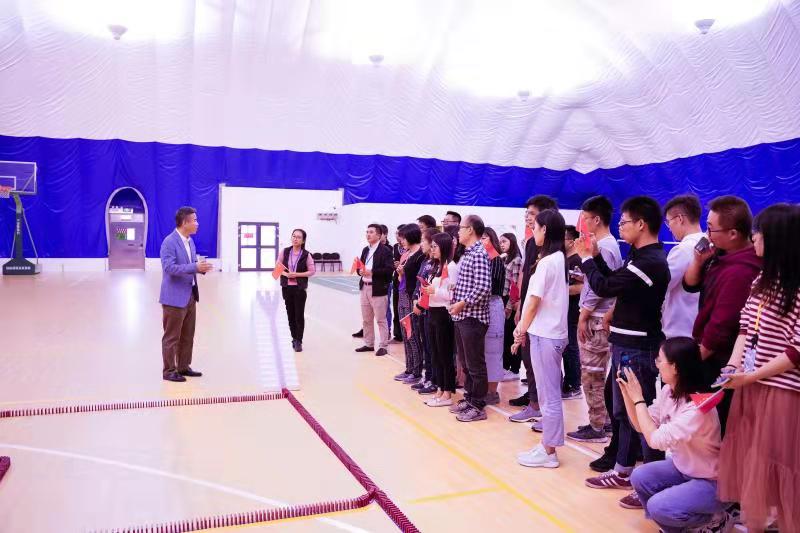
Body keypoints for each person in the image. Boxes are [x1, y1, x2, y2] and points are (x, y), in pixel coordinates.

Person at [577, 196, 670, 507]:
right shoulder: (638, 256)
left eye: (624, 222)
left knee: (642, 416)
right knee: (623, 414)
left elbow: (604, 287)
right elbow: (615, 282)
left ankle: (651, 483)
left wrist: (587, 260)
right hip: (625, 343)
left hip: (638, 347)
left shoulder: (651, 261)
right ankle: (623, 470)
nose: (620, 226)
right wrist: (596, 259)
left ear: (641, 224)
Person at [718, 203, 800, 533]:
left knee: (783, 463)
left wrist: (751, 375)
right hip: (751, 384)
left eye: (759, 232)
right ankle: (768, 522)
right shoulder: (762, 280)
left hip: (783, 390)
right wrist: (732, 365)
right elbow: (745, 328)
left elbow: (796, 351)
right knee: (756, 457)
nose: (754, 238)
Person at [620, 338, 730, 532]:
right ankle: (675, 528)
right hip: (683, 470)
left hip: (712, 483)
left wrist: (638, 399)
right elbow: (641, 426)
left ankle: (715, 518)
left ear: (675, 367)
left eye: (660, 360)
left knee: (658, 506)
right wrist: (628, 396)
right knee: (639, 477)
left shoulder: (697, 409)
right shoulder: (668, 392)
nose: (656, 364)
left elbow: (654, 441)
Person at [683, 195, 761, 432]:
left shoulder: (741, 271)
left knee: (714, 426)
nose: (707, 235)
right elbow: (690, 285)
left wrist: (693, 362)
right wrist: (699, 261)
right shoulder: (719, 256)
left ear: (733, 233)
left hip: (720, 360)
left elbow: (722, 324)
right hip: (708, 351)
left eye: (711, 228)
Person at [513, 209, 569, 468]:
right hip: (545, 332)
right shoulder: (555, 258)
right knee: (548, 394)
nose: (532, 231)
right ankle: (547, 444)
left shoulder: (549, 262)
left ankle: (549, 451)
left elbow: (534, 301)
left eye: (534, 227)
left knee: (549, 395)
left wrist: (521, 329)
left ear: (545, 229)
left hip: (546, 334)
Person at [568, 195, 622, 443]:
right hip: (599, 317)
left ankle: (597, 425)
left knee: (592, 375)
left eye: (586, 218)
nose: (584, 224)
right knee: (596, 373)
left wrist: (583, 316)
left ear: (597, 219)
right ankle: (602, 421)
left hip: (596, 320)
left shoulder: (605, 246)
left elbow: (600, 288)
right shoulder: (607, 244)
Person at [509, 195, 557, 421]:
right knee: (528, 358)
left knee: (543, 364)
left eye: (532, 214)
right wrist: (519, 305)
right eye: (526, 214)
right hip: (529, 307)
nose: (528, 218)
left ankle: (542, 407)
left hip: (544, 315)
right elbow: (524, 275)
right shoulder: (530, 243)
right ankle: (534, 401)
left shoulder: (554, 251)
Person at [159, 206, 213, 382]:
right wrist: (194, 267)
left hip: (190, 295)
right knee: (172, 337)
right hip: (174, 298)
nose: (197, 223)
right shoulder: (169, 242)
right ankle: (169, 371)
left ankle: (183, 366)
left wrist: (200, 268)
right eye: (195, 220)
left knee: (187, 335)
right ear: (184, 222)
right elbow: (169, 268)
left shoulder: (190, 241)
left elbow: (191, 265)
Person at [448, 215, 492, 422]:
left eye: (461, 227)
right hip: (463, 315)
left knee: (475, 364)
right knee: (466, 363)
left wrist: (463, 302)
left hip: (473, 317)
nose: (458, 231)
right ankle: (470, 398)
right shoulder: (468, 253)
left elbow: (483, 287)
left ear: (471, 230)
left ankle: (478, 405)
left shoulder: (479, 254)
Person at [662, 195, 704, 338]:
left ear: (680, 219)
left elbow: (661, 285)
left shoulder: (683, 250)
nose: (669, 228)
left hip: (680, 329)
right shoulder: (708, 244)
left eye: (668, 222)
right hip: (697, 325)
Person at [424, 232, 457, 406]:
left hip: (444, 314)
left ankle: (447, 393)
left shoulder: (451, 267)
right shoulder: (437, 266)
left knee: (445, 354)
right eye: (432, 246)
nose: (432, 249)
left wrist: (434, 291)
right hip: (433, 311)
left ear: (443, 247)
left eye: (435, 246)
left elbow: (453, 294)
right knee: (435, 353)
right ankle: (439, 389)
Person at [394, 224, 426, 383]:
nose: (401, 241)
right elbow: (402, 278)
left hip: (411, 296)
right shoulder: (407, 254)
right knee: (405, 332)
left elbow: (418, 279)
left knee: (412, 334)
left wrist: (404, 272)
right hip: (402, 293)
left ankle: (416, 371)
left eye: (404, 237)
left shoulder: (420, 255)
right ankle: (409, 368)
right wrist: (401, 273)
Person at [355, 224, 393, 356]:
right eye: (367, 232)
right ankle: (369, 343)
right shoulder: (366, 249)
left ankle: (383, 345)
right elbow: (361, 266)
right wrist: (360, 271)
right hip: (364, 287)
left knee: (381, 319)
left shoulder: (385, 251)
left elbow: (389, 270)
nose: (368, 234)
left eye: (371, 232)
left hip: (378, 288)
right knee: (366, 319)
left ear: (379, 235)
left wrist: (372, 272)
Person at [480, 227, 507, 405]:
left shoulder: (495, 259)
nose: (481, 241)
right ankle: (483, 389)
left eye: (484, 238)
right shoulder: (481, 258)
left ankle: (492, 391)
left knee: (493, 351)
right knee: (482, 351)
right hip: (481, 306)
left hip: (492, 304)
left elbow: (489, 287)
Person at [411, 228, 439, 393]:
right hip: (421, 307)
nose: (421, 243)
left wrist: (421, 303)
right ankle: (427, 376)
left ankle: (433, 379)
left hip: (430, 309)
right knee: (426, 345)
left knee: (432, 346)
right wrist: (416, 299)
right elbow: (419, 284)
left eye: (423, 240)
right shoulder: (425, 262)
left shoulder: (437, 264)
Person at [279, 229, 316, 352]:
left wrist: (296, 274)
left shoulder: (306, 255)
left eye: (298, 237)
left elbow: (312, 271)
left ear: (303, 240)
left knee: (299, 316)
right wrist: (286, 274)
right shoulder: (285, 251)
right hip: (286, 288)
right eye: (294, 236)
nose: (295, 239)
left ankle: (299, 341)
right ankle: (294, 338)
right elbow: (278, 267)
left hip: (299, 289)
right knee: (290, 315)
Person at [563, 225, 583, 398]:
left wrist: (559, 290)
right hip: (563, 309)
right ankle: (567, 381)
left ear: (571, 241)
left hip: (572, 309)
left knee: (571, 346)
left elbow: (581, 287)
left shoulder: (577, 260)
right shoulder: (564, 259)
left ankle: (574, 385)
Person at [500, 232, 523, 381]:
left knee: (512, 334)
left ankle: (514, 369)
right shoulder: (505, 258)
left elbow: (514, 285)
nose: (501, 244)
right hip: (504, 298)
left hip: (511, 300)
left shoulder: (516, 260)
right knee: (506, 335)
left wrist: (509, 305)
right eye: (500, 242)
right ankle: (506, 366)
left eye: (504, 241)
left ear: (512, 242)